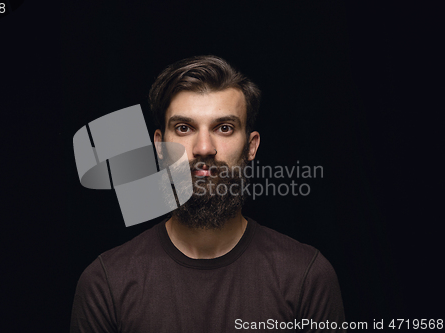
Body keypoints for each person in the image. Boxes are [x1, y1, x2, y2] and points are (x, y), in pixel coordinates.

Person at [70, 55, 346, 332]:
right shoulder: (106, 282)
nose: (204, 148)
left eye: (224, 128)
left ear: (251, 146)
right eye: (184, 128)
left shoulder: (306, 277)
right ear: (160, 146)